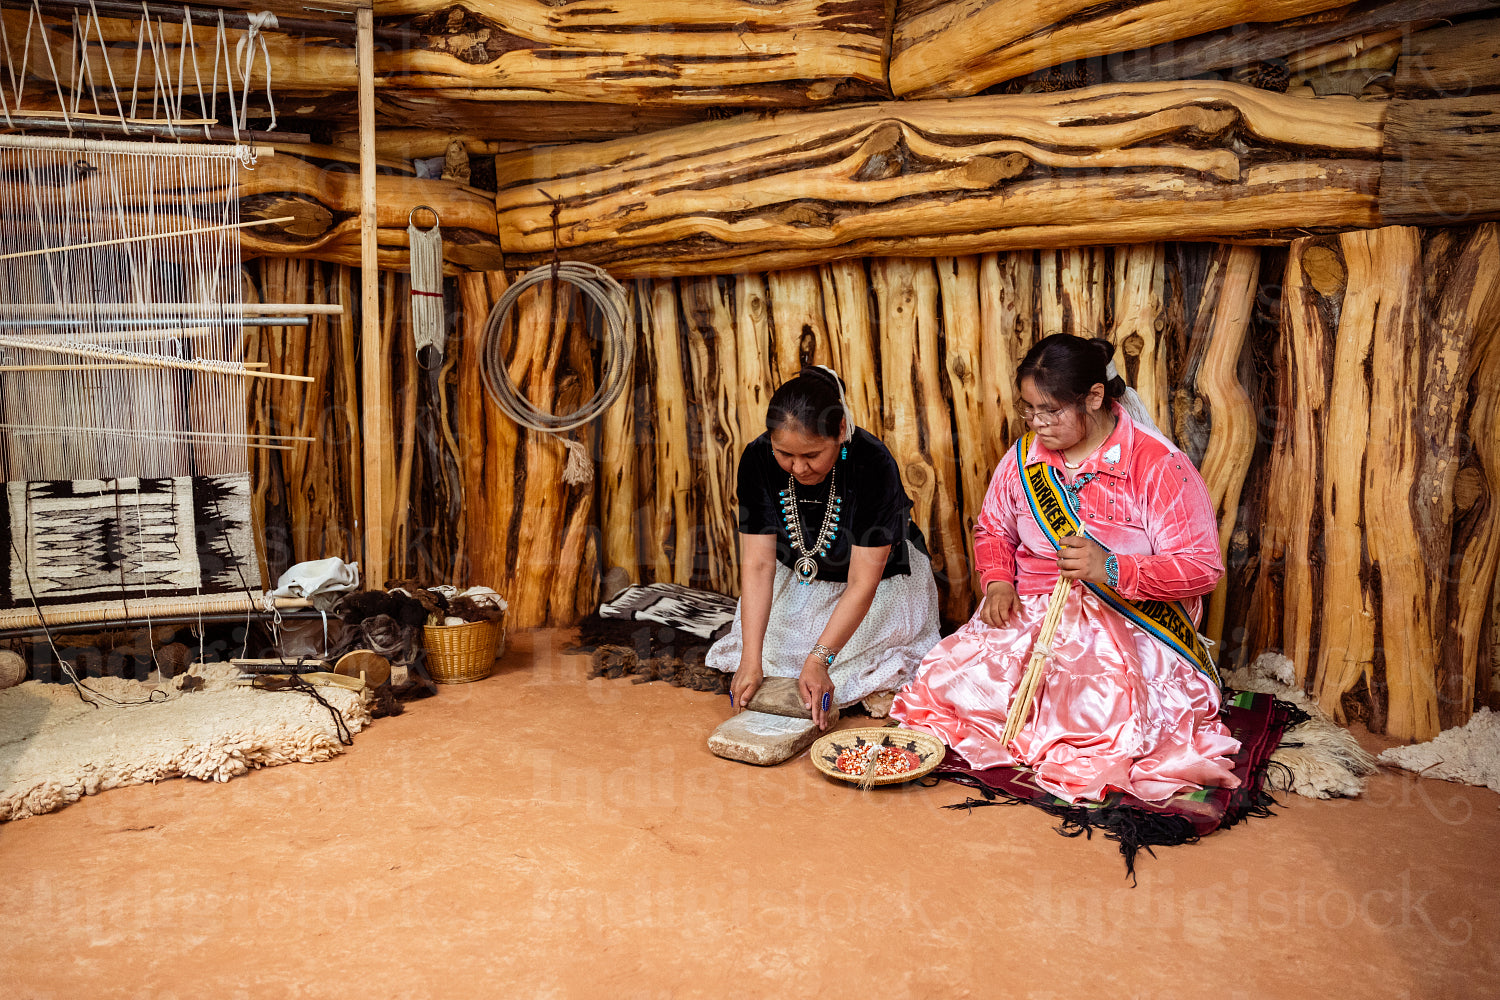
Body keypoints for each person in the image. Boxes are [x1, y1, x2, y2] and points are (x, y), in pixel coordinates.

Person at [891, 334, 1241, 803]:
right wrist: (997, 584)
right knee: (946, 688)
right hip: (1033, 610)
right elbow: (994, 529)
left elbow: (1201, 569)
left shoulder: (1158, 466)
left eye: (1050, 410)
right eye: (1028, 410)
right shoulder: (1024, 459)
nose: (1036, 423)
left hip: (1128, 622)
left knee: (1097, 720)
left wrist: (1112, 568)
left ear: (1094, 396)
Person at [706, 366, 942, 732]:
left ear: (841, 432)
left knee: (834, 662)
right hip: (798, 582)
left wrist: (819, 660)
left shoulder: (872, 463)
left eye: (812, 455)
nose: (798, 467)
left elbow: (864, 582)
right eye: (785, 454)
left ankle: (862, 679)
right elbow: (757, 565)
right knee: (767, 657)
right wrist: (750, 658)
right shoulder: (756, 459)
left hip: (876, 586)